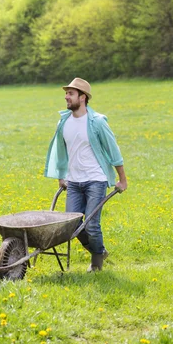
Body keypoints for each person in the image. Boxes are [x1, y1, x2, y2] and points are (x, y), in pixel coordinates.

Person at [44, 77, 127, 272]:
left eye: (70, 93)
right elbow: (62, 152)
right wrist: (61, 177)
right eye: (66, 93)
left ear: (82, 97)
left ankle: (96, 263)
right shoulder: (63, 122)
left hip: (95, 180)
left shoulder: (97, 122)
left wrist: (122, 179)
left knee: (91, 225)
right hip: (74, 181)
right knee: (71, 226)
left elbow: (113, 150)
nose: (66, 97)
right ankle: (99, 250)